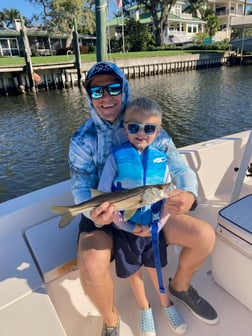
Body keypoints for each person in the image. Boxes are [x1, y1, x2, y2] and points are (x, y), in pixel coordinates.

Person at [68, 61, 218, 336]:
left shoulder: (146, 122)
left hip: (149, 206)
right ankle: (112, 322)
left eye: (113, 88)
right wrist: (94, 214)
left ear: (123, 88)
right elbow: (80, 185)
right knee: (90, 267)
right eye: (97, 92)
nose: (106, 97)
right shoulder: (81, 139)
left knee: (205, 236)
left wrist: (189, 196)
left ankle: (180, 287)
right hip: (105, 211)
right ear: (89, 97)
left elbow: (179, 167)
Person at [97, 96, 187, 335]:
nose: (141, 132)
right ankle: (144, 308)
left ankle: (165, 302)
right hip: (127, 231)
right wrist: (127, 226)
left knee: (155, 266)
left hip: (154, 228)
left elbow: (168, 196)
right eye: (134, 127)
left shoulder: (162, 160)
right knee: (134, 271)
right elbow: (107, 200)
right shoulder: (115, 158)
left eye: (149, 128)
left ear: (158, 131)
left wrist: (158, 224)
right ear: (125, 127)